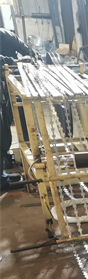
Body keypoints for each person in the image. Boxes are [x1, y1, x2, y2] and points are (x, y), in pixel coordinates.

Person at [1, 29, 32, 192]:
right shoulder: (7, 35)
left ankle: (3, 172)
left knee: (5, 128)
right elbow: (27, 52)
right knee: (3, 131)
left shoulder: (6, 35)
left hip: (6, 83)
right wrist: (14, 61)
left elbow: (27, 51)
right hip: (7, 80)